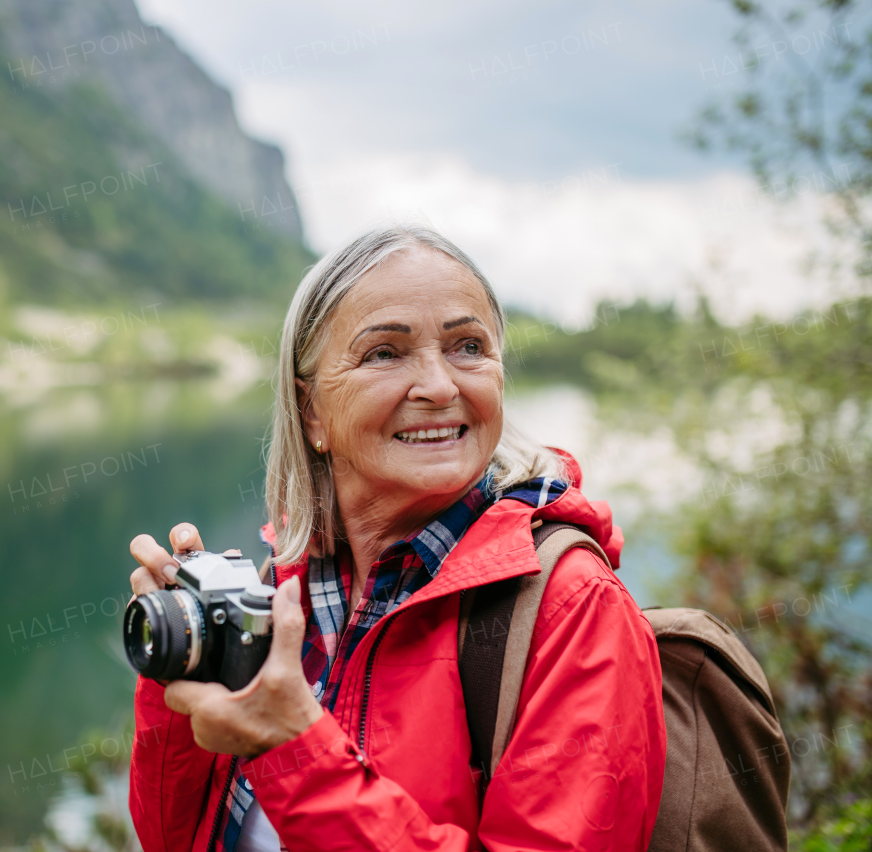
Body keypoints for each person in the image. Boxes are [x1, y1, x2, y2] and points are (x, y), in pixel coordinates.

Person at [126, 224, 666, 852]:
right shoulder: (283, 590)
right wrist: (176, 670)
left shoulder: (573, 608)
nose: (440, 386)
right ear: (312, 413)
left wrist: (296, 751)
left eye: (468, 346)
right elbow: (175, 837)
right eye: (385, 353)